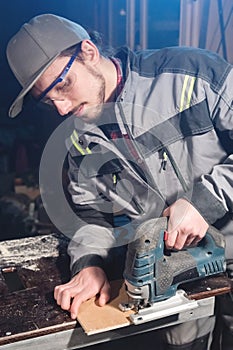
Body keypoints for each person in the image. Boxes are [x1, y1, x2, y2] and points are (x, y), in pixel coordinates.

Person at [6, 14, 233, 350]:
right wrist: (89, 264)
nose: (62, 107)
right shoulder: (79, 143)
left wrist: (203, 202)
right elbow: (92, 217)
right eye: (48, 100)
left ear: (88, 51)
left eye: (63, 85)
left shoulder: (192, 74)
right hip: (170, 278)